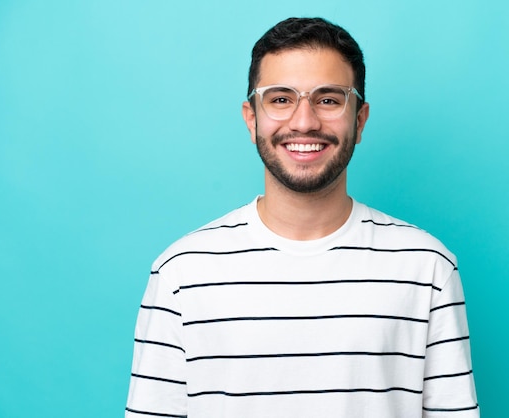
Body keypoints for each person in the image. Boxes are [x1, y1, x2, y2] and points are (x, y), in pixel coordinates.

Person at [125, 17, 479, 418]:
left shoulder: (427, 267)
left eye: (328, 99)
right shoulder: (180, 274)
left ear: (359, 120)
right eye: (280, 99)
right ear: (251, 117)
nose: (304, 121)